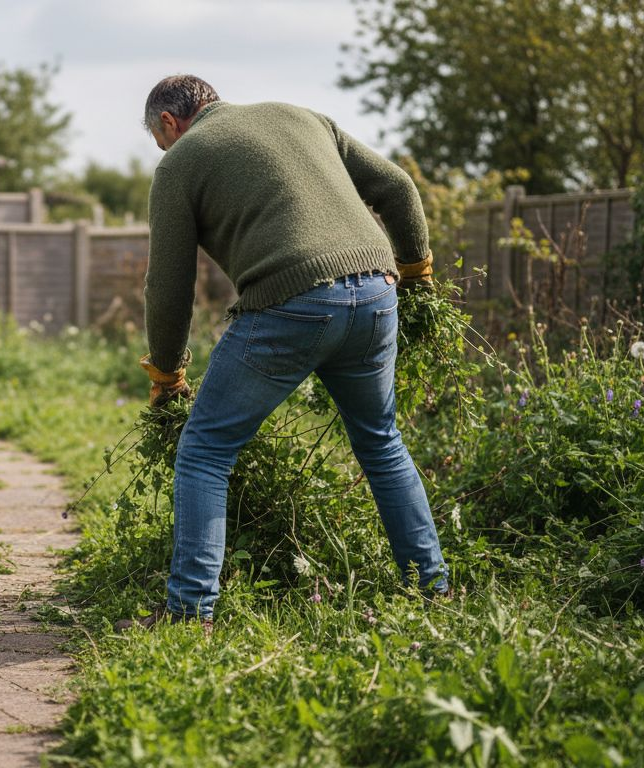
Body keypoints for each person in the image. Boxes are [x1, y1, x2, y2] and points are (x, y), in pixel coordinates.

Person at [120, 75, 448, 631]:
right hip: (376, 292)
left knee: (204, 449)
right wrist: (415, 276)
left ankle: (189, 612)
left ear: (171, 124)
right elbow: (399, 188)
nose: (165, 150)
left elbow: (168, 283)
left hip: (291, 301)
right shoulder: (304, 117)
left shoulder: (180, 163)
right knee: (382, 442)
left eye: (160, 140)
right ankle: (433, 588)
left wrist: (168, 372)